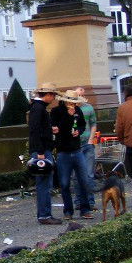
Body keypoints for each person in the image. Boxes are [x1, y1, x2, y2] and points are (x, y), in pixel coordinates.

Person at [50, 90, 92, 220]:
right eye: (70, 103)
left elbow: (82, 126)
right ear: (65, 101)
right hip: (63, 151)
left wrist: (78, 131)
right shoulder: (56, 111)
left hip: (77, 150)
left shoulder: (78, 111)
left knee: (83, 180)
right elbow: (57, 129)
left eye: (74, 103)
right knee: (65, 183)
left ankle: (85, 208)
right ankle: (68, 210)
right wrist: (68, 116)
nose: (72, 106)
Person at [28, 82, 62, 225]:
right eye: (53, 95)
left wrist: (49, 129)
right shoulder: (38, 109)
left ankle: (44, 214)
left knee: (44, 183)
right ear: (48, 95)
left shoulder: (37, 108)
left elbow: (38, 129)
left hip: (40, 149)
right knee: (44, 184)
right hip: (40, 151)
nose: (53, 99)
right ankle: (44, 215)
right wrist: (40, 151)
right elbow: (35, 130)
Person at [75, 87, 98, 211]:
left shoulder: (88, 108)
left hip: (87, 144)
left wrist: (90, 140)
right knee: (75, 176)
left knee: (89, 175)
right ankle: (78, 201)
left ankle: (90, 201)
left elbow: (94, 124)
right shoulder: (70, 109)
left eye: (81, 96)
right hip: (75, 145)